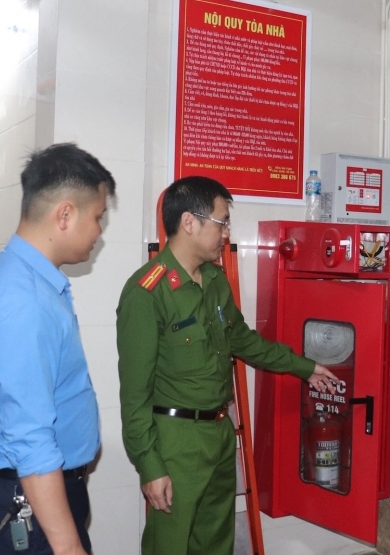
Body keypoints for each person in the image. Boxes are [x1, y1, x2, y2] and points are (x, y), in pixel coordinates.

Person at [116, 176, 339, 555]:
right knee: (169, 545)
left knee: (216, 541)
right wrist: (150, 466)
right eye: (221, 222)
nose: (226, 233)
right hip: (175, 442)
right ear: (189, 222)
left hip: (220, 434)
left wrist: (304, 367)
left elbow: (243, 341)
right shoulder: (147, 293)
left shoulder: (215, 280)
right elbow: (134, 397)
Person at [0, 143, 115, 555]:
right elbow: (30, 436)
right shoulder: (24, 300)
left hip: (38, 491)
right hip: (32, 497)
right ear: (65, 214)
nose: (99, 231)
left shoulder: (23, 278)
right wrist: (67, 546)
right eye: (98, 217)